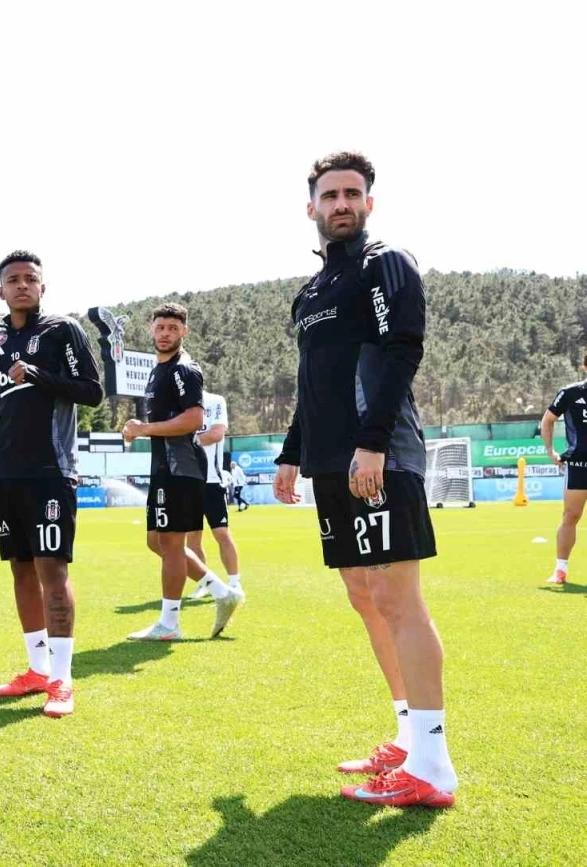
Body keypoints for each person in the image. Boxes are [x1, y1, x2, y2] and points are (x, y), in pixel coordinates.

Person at [274, 151, 456, 808]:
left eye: (353, 193)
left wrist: (373, 441)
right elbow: (312, 382)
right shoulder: (311, 292)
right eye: (331, 195)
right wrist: (292, 452)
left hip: (379, 454)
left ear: (369, 203)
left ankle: (433, 765)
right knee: (364, 594)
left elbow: (403, 348)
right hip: (330, 462)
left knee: (397, 596)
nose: (342, 204)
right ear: (312, 207)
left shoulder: (385, 264)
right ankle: (407, 738)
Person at [0, 250, 103, 718]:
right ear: (1, 290)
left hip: (51, 471)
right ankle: (36, 668)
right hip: (6, 475)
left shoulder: (61, 330)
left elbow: (92, 390)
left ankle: (62, 679)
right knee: (21, 571)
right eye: (13, 280)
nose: (22, 285)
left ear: (42, 287)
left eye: (31, 279)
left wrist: (38, 375)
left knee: (53, 572)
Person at [123, 305, 244, 641]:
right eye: (160, 327)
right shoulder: (157, 371)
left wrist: (145, 429)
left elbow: (194, 419)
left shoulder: (184, 369)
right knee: (156, 542)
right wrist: (137, 430)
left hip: (181, 466)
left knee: (172, 544)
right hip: (164, 465)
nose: (165, 333)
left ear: (184, 332)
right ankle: (221, 591)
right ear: (151, 329)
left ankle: (169, 624)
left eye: (173, 328)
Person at [186, 391, 244, 600]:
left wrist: (185, 442)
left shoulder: (215, 401)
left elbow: (216, 434)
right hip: (188, 482)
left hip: (212, 481)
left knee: (221, 534)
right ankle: (205, 583)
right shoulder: (179, 402)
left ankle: (235, 583)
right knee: (192, 538)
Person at [542, 355, 587, 585]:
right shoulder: (570, 393)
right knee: (571, 515)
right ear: (584, 367)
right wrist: (551, 451)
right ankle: (560, 569)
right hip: (579, 465)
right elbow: (547, 420)